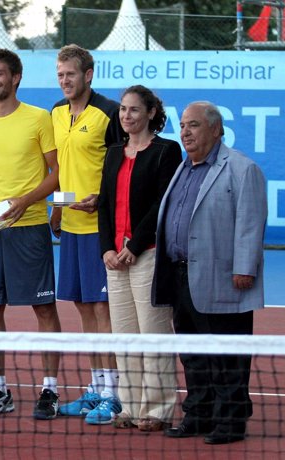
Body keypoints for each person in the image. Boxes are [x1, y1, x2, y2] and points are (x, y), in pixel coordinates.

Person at [153, 101, 267, 444]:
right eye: (184, 125)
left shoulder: (242, 169)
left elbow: (250, 222)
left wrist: (244, 268)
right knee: (193, 353)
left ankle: (230, 423)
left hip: (224, 279)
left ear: (217, 130)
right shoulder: (183, 168)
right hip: (180, 276)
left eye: (195, 126)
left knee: (226, 355)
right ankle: (199, 415)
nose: (185, 132)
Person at [0, 49, 62, 420]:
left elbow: (55, 173)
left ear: (16, 77)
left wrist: (24, 200)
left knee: (43, 307)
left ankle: (49, 390)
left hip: (29, 227)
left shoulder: (39, 118)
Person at [97, 85, 182, 431]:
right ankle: (130, 408)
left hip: (146, 255)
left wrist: (134, 246)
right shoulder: (114, 151)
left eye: (134, 110)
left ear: (150, 113)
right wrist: (107, 248)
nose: (126, 116)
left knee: (153, 333)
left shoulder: (166, 151)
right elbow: (104, 203)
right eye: (123, 110)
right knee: (125, 336)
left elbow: (163, 204)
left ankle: (157, 410)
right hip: (114, 259)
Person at [51, 44, 124, 424]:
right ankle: (97, 387)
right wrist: (58, 208)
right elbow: (64, 168)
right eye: (60, 74)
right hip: (72, 227)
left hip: (102, 229)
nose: (65, 81)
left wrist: (103, 198)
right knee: (83, 307)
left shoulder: (109, 113)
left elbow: (121, 166)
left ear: (88, 75)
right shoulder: (56, 113)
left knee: (101, 309)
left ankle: (114, 394)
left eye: (71, 74)